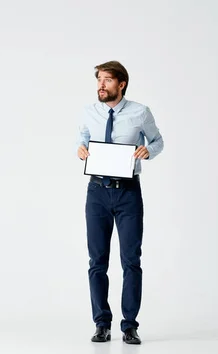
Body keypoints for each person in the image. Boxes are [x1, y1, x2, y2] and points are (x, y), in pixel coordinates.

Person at [76, 60, 164, 345]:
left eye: (107, 80)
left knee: (131, 261)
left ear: (121, 83)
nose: (101, 85)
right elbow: (83, 140)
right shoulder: (89, 112)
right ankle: (102, 323)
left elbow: (158, 141)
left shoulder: (140, 112)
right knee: (97, 262)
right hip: (97, 193)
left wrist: (147, 151)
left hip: (128, 194)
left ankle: (129, 326)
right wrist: (80, 149)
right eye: (99, 79)